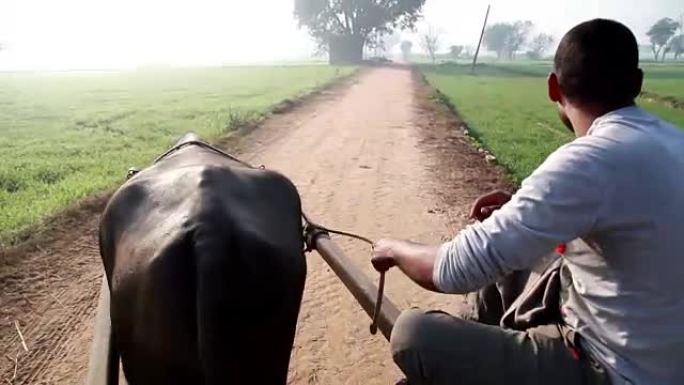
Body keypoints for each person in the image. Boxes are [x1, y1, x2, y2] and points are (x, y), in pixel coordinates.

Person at [371, 19, 684, 385]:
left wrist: (395, 247)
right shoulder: (672, 143)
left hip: (613, 371)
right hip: (666, 359)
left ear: (554, 87)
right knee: (513, 256)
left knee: (414, 334)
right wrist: (519, 206)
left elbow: (452, 270)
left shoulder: (590, 159)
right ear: (637, 83)